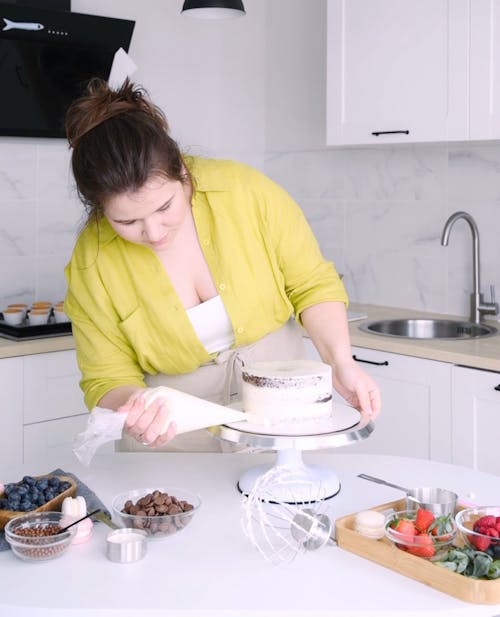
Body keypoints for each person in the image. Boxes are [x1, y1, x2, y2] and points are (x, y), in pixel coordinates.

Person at [64, 78, 381, 452]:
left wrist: (340, 360)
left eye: (165, 207)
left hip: (282, 415)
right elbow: (106, 375)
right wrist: (138, 406)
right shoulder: (93, 260)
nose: (153, 231)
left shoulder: (245, 191)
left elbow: (312, 283)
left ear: (183, 173)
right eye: (127, 222)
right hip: (173, 436)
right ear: (99, 209)